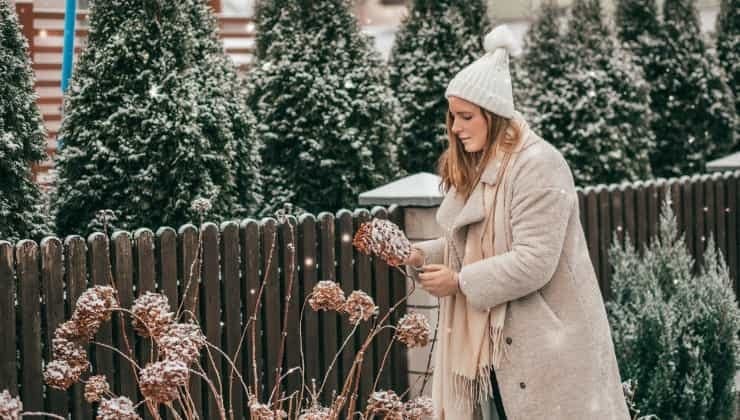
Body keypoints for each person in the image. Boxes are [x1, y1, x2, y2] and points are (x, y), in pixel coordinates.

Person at [403, 25, 630, 420]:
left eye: (466, 117)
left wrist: (459, 283)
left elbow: (533, 260)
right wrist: (419, 253)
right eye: (453, 117)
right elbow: (470, 244)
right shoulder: (482, 169)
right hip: (494, 354)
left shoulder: (539, 166)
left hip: (547, 347)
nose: (455, 128)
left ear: (493, 116)